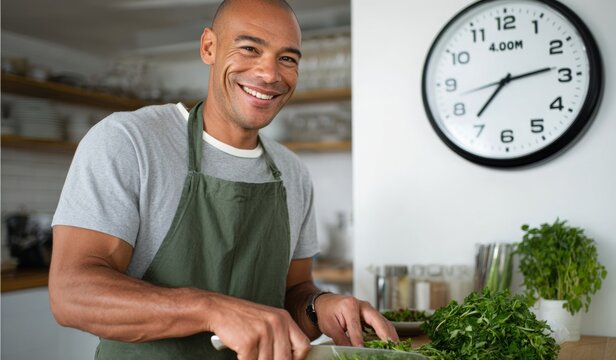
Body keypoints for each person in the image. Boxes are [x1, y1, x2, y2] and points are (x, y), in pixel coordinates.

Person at [48, 0, 398, 359]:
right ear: (209, 47)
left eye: (287, 59)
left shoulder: (292, 172)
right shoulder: (129, 141)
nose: (269, 74)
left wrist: (318, 306)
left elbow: (293, 292)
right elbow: (72, 294)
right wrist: (212, 309)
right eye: (250, 49)